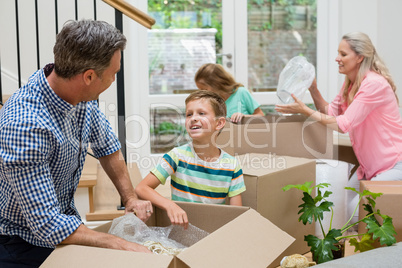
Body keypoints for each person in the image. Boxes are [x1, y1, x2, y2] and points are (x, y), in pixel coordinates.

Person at [0, 19, 154, 267]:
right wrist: (119, 244)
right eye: (113, 74)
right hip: (20, 244)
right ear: (89, 76)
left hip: (62, 226)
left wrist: (130, 198)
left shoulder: (80, 94)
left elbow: (107, 146)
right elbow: (47, 224)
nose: (114, 80)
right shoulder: (25, 125)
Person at [275, 32, 402, 223]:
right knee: (340, 207)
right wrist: (313, 89)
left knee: (355, 213)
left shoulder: (374, 84)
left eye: (343, 54)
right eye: (338, 53)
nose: (337, 59)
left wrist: (304, 111)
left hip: (394, 165)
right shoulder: (350, 85)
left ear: (359, 57)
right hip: (371, 168)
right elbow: (331, 112)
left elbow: (343, 125)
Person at [135, 90, 246, 229]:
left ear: (219, 123)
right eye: (189, 114)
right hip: (181, 232)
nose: (193, 118)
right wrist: (170, 205)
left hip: (214, 235)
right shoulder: (177, 156)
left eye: (201, 113)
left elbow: (237, 215)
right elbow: (141, 188)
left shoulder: (232, 166)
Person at [194, 63, 264, 123]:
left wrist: (244, 117)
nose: (202, 93)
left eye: (205, 89)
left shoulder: (241, 92)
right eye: (200, 90)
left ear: (216, 84)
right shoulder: (211, 101)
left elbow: (261, 116)